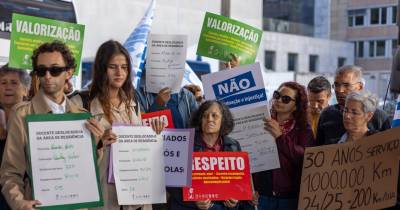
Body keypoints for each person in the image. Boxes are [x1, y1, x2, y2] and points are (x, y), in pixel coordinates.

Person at [0, 41, 105, 210]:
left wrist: (98, 145)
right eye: (42, 71)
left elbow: (88, 171)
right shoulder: (22, 115)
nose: (47, 76)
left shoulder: (81, 115)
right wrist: (19, 203)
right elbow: (10, 172)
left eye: (55, 70)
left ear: (68, 73)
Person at [71, 40, 163, 210]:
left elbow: (142, 149)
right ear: (101, 69)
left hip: (135, 198)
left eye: (124, 67)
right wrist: (99, 142)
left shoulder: (133, 101)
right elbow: (71, 156)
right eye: (113, 67)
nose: (119, 72)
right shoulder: (81, 102)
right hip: (103, 197)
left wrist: (154, 135)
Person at [251, 82, 314, 210]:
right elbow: (249, 156)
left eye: (285, 99)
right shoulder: (262, 121)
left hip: (290, 199)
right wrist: (250, 187)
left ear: (296, 106)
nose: (278, 100)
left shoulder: (303, 129)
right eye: (277, 95)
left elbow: (305, 158)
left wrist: (280, 137)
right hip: (261, 196)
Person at [169, 100, 240, 210]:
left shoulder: (234, 145)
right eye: (205, 116)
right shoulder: (183, 143)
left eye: (214, 115)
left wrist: (235, 201)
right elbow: (172, 184)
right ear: (200, 120)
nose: (209, 119)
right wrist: (193, 201)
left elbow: (239, 184)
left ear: (223, 120)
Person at [316, 65, 391, 145]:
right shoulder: (327, 114)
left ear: (360, 87)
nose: (339, 90)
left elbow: (388, 150)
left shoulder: (379, 117)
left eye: (346, 85)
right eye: (336, 85)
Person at [0, 64, 31, 210]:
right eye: (3, 82)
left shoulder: (34, 119)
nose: (7, 87)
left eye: (14, 82)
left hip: (23, 198)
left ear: (26, 89)